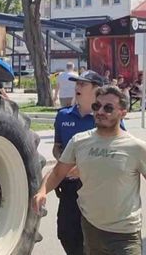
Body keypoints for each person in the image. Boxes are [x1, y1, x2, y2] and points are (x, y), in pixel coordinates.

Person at [33, 85, 146, 255]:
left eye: (108, 108)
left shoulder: (136, 148)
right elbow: (58, 172)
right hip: (90, 228)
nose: (100, 111)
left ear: (123, 113)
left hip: (124, 234)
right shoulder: (79, 141)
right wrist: (42, 191)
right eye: (96, 106)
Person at [51, 70, 109, 255]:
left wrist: (87, 165)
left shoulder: (106, 118)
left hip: (96, 187)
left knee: (96, 236)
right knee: (66, 233)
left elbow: (117, 148)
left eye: (83, 84)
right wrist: (63, 161)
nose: (77, 87)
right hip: (69, 187)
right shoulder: (63, 116)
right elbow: (57, 146)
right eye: (77, 83)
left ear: (97, 90)